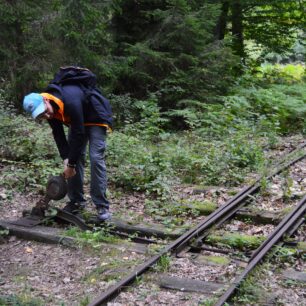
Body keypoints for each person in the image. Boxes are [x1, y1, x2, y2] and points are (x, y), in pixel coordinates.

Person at [23, 79, 111, 221]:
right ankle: (76, 201)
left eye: (44, 111)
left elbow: (79, 133)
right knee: (73, 158)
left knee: (95, 158)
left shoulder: (70, 101)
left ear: (45, 100)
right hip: (78, 122)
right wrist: (66, 159)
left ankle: (102, 205)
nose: (46, 116)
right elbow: (58, 135)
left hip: (96, 116)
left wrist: (71, 164)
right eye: (41, 116)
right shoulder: (50, 110)